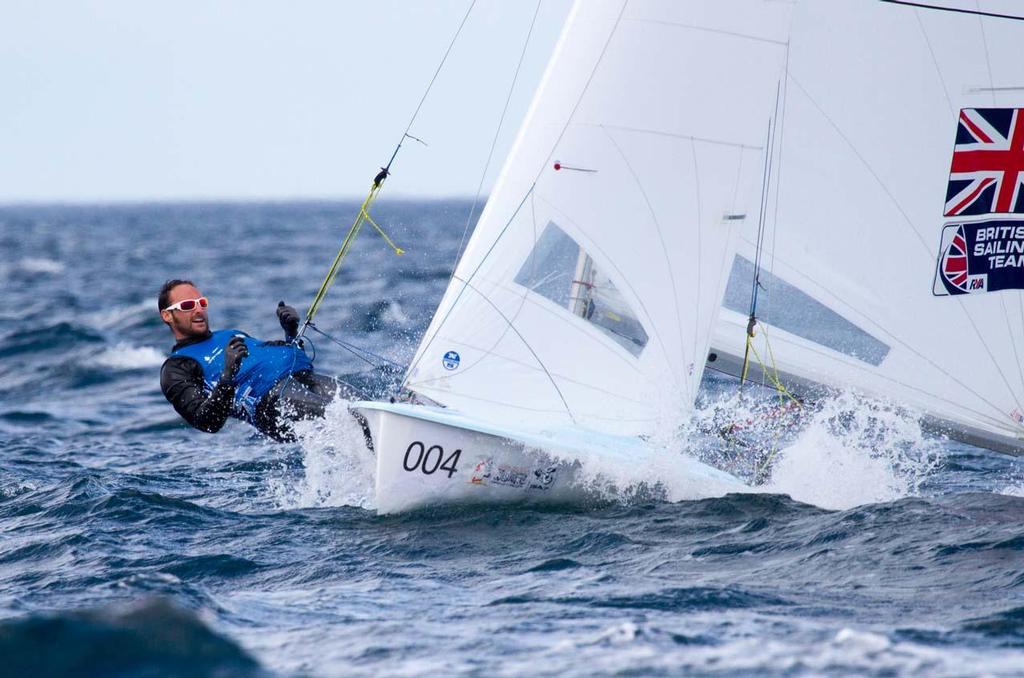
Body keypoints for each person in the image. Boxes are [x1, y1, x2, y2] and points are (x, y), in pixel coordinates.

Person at [158, 279, 352, 441]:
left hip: (303, 379)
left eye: (201, 303)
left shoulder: (232, 334)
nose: (198, 310)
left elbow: (283, 360)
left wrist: (291, 333)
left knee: (362, 406)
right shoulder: (177, 367)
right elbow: (207, 422)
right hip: (270, 402)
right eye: (187, 306)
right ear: (167, 315)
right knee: (347, 415)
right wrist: (228, 376)